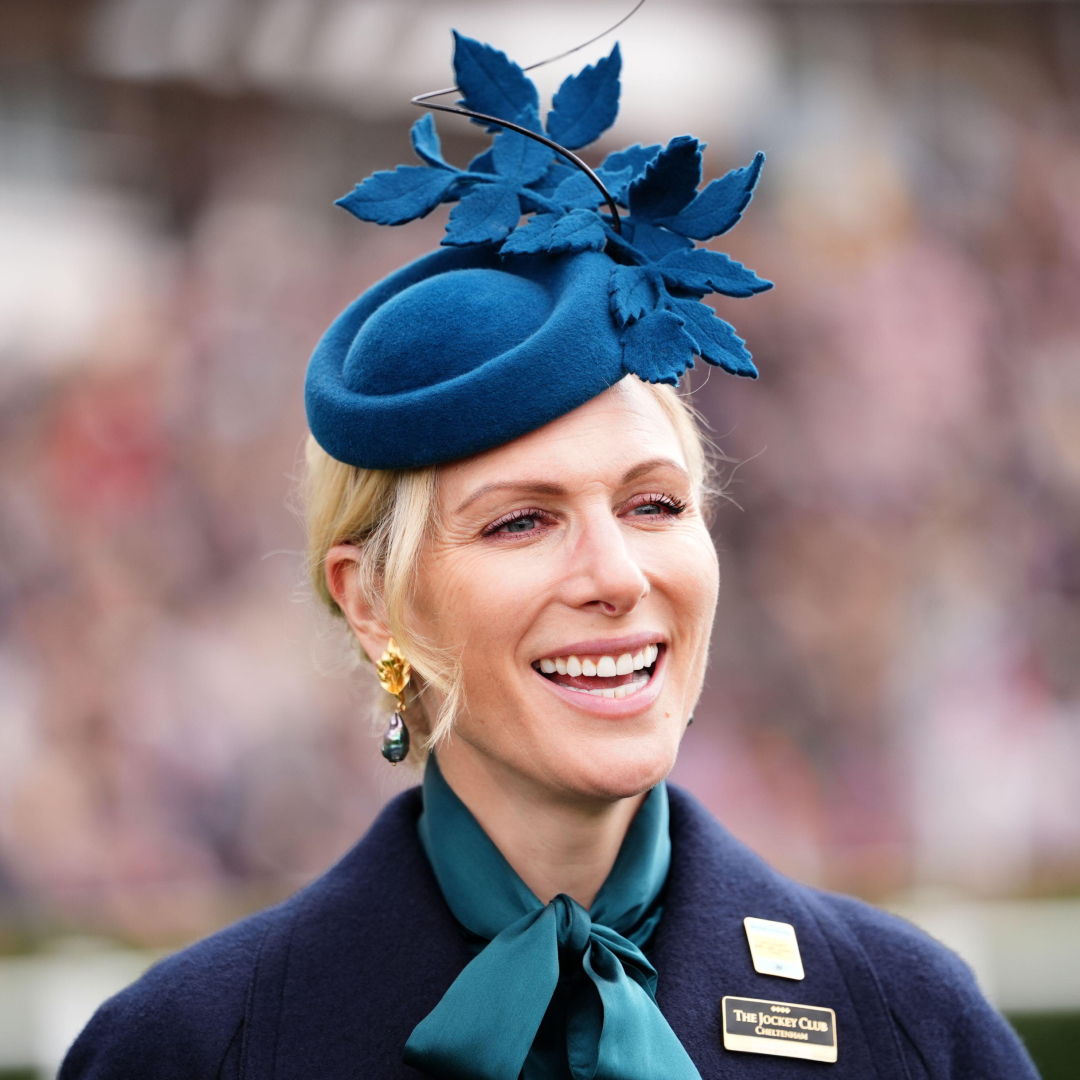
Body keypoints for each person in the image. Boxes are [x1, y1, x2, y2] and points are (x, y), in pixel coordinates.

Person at [61, 28, 1037, 1080]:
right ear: (373, 603)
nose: (617, 576)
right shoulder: (195, 1049)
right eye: (522, 520)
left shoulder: (910, 1024)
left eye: (654, 506)